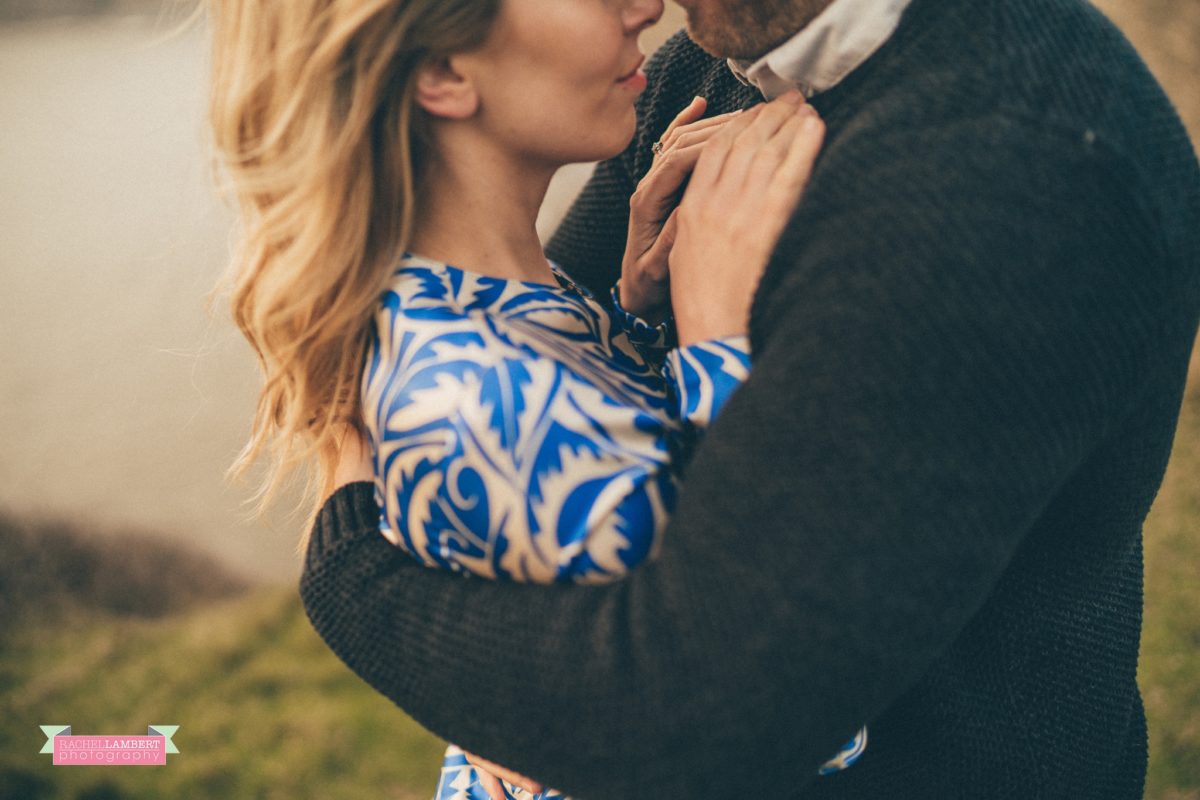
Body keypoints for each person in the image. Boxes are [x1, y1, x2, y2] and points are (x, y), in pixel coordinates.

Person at [300, 0, 1200, 798]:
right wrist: (654, 311)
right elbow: (543, 366)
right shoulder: (714, 62)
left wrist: (354, 576)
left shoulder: (1014, 178)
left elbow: (705, 715)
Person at [208, 0, 852, 798]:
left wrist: (637, 314)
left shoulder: (481, 296)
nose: (644, 7)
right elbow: (792, 708)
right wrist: (716, 330)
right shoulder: (484, 403)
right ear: (442, 72)